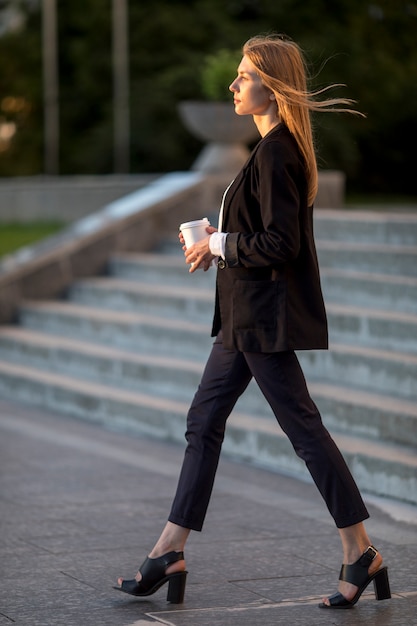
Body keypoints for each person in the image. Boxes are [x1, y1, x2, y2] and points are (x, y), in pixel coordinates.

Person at [115, 34, 391, 610]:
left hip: (261, 320)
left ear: (274, 85)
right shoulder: (270, 149)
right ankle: (171, 549)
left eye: (245, 75)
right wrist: (216, 247)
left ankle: (359, 550)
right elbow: (261, 238)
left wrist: (220, 243)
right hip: (243, 319)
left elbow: (282, 242)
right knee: (205, 422)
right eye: (238, 75)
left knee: (303, 431)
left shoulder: (276, 152)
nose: (234, 84)